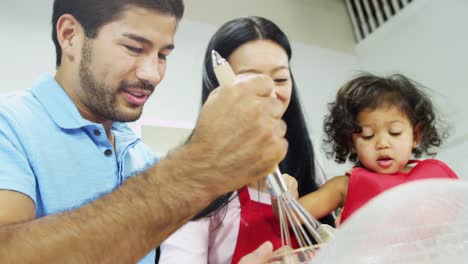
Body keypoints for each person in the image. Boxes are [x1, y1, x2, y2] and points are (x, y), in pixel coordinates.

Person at [0, 1, 287, 263]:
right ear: (70, 35)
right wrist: (196, 169)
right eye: (134, 48)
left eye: (163, 55)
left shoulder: (140, 155)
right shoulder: (10, 125)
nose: (153, 74)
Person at [159, 16, 335, 264]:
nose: (270, 91)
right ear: (217, 85)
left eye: (281, 79)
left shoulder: (306, 164)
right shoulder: (192, 180)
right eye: (251, 78)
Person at [297, 73, 459, 226]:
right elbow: (291, 215)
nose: (382, 144)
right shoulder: (344, 186)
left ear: (416, 136)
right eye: (367, 135)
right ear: (351, 142)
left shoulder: (434, 177)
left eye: (395, 132)